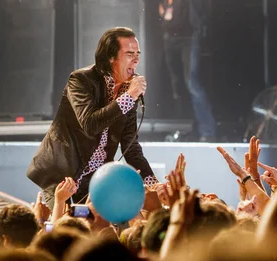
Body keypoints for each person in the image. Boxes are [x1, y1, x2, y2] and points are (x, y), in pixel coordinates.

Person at [27, 27, 158, 210]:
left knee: (97, 229)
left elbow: (131, 148)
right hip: (61, 173)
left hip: (93, 179)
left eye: (138, 53)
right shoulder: (81, 80)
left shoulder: (128, 92)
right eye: (129, 54)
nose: (136, 59)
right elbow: (90, 124)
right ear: (111, 57)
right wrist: (129, 96)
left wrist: (152, 184)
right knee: (63, 230)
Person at [159, 0, 216, 142]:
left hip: (188, 37)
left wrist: (200, 24)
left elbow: (205, 8)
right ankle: (183, 128)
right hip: (170, 36)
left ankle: (207, 130)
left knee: (192, 82)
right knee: (176, 84)